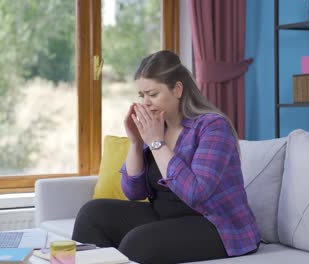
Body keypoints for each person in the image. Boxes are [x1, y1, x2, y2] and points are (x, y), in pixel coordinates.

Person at [72, 50, 260, 264]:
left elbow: (196, 193)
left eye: (153, 94)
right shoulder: (157, 127)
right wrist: (136, 142)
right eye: (142, 96)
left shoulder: (212, 127)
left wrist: (156, 143)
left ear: (177, 89)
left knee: (138, 243)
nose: (146, 102)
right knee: (92, 214)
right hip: (166, 215)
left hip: (215, 225)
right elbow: (133, 192)